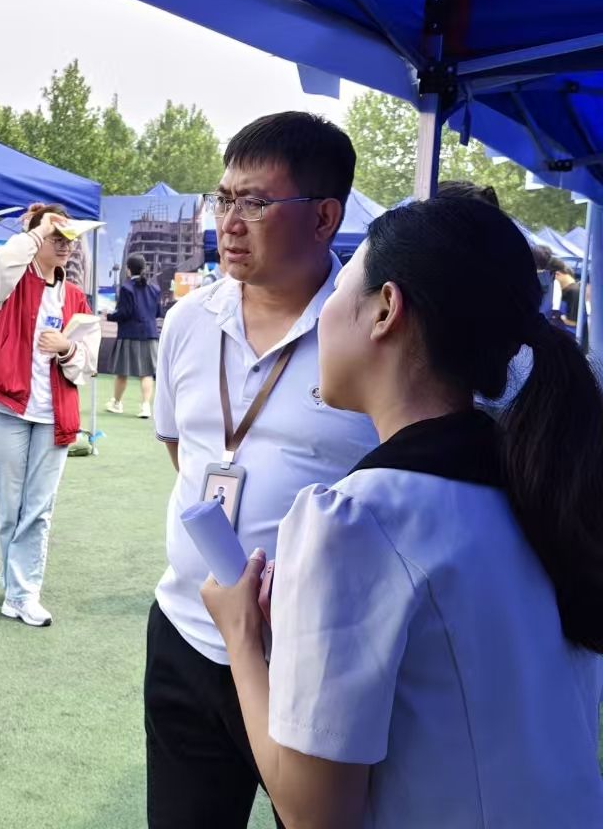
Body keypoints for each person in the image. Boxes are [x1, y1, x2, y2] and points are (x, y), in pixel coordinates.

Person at [201, 197, 603, 828]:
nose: (322, 316)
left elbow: (312, 815)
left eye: (338, 292)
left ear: (386, 309)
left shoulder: (354, 520)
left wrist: (242, 637)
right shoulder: (543, 487)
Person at [147, 111, 381, 829]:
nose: (229, 222)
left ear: (324, 218)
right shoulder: (189, 320)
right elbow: (181, 449)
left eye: (254, 202)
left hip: (312, 655)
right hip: (187, 631)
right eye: (223, 198)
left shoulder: (369, 332)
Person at [0, 204, 100, 627]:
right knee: (10, 506)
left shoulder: (76, 297)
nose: (64, 246)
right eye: (55, 237)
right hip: (9, 407)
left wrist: (67, 349)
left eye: (69, 240)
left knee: (38, 507)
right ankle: (13, 584)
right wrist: (37, 230)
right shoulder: (11, 283)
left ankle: (23, 592)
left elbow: (88, 362)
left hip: (54, 413)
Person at [106, 254, 163, 419]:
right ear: (144, 268)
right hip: (150, 334)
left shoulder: (126, 288)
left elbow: (125, 313)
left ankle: (117, 403)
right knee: (146, 373)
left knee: (122, 372)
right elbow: (158, 312)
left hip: (129, 334)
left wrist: (108, 316)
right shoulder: (155, 289)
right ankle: (145, 407)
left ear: (128, 270)